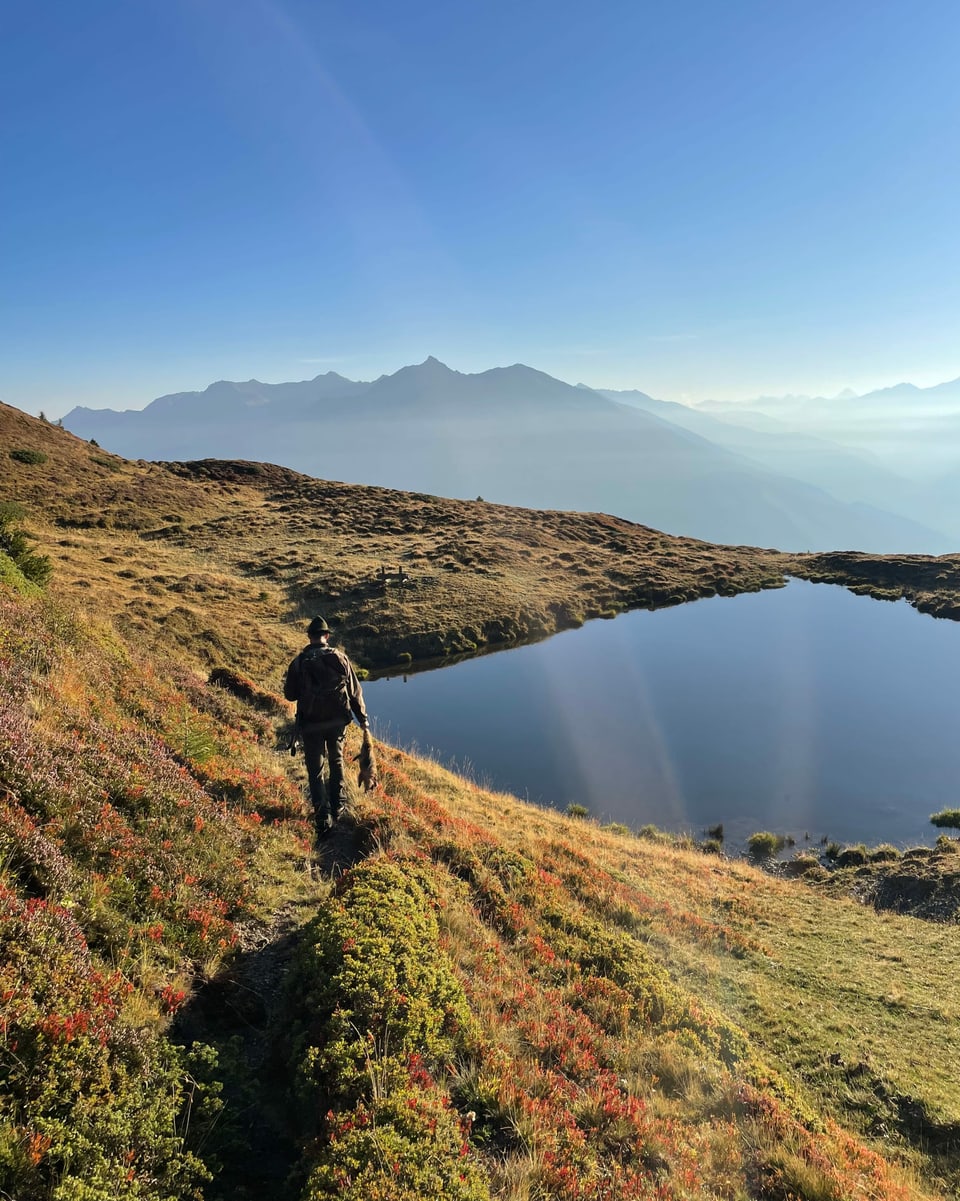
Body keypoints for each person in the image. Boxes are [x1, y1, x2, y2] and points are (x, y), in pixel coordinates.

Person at [283, 616, 370, 838]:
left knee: (316, 769)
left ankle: (322, 816)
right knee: (337, 761)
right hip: (337, 722)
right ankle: (338, 805)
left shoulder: (299, 662)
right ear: (327, 636)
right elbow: (354, 692)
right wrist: (363, 720)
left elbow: (290, 695)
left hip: (311, 724)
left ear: (309, 637)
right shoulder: (340, 658)